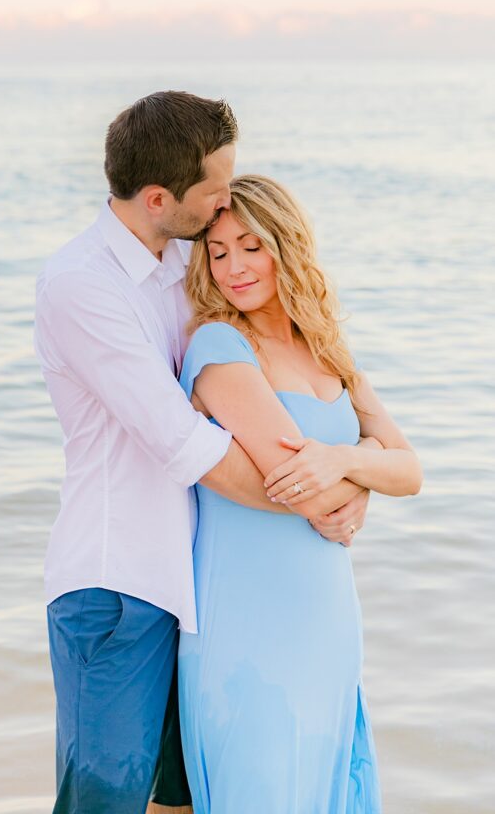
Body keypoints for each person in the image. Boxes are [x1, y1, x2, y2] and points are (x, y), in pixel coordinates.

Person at [34, 92, 372, 814]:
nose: (226, 201)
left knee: (182, 797)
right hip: (119, 581)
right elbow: (187, 444)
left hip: (203, 587)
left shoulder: (188, 262)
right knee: (105, 795)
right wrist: (326, 499)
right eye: (215, 186)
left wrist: (350, 470)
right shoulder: (81, 285)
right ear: (159, 197)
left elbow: (283, 396)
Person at [177, 174, 423, 813]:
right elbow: (301, 490)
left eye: (251, 245)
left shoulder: (329, 351)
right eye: (218, 251)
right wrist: (367, 473)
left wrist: (348, 460)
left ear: (286, 244)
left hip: (328, 618)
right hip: (246, 622)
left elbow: (412, 471)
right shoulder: (220, 346)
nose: (233, 267)